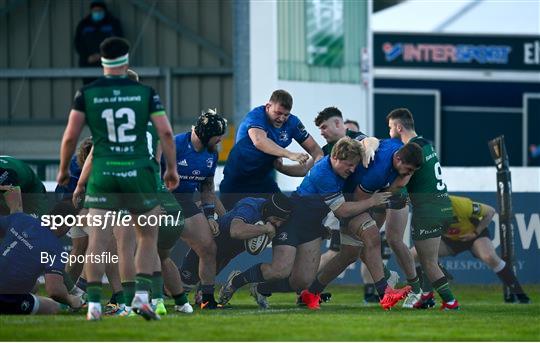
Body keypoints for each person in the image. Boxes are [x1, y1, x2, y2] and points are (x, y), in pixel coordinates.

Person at [57, 37, 179, 321]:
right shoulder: (146, 94)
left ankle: (95, 306)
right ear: (125, 61)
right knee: (146, 237)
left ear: (101, 62)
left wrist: (65, 171)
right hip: (137, 174)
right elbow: (166, 134)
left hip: (104, 174)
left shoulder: (86, 93)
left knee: (97, 240)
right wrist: (171, 168)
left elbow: (71, 137)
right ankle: (139, 298)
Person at [218, 137, 392, 309]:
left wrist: (369, 147)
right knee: (280, 270)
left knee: (301, 282)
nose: (353, 169)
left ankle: (261, 287)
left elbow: (370, 139)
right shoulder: (323, 172)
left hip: (313, 225)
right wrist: (372, 201)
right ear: (336, 157)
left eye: (355, 165)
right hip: (292, 220)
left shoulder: (340, 167)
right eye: (349, 164)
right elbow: (342, 211)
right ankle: (236, 281)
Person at [298, 139, 423, 310]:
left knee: (348, 255)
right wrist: (379, 200)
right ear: (398, 159)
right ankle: (384, 293)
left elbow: (372, 140)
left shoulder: (396, 148)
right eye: (408, 170)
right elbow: (357, 201)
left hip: (347, 197)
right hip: (348, 201)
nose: (409, 174)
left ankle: (311, 294)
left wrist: (395, 186)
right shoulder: (377, 173)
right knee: (372, 237)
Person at [386, 108, 460, 310]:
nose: (389, 132)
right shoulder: (426, 144)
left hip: (428, 210)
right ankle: (426, 296)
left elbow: (401, 184)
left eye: (391, 128)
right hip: (443, 206)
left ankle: (450, 302)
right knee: (428, 260)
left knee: (428, 263)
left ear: (399, 127)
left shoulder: (410, 151)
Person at [411, 195, 530, 305]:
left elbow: (490, 211)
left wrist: (475, 232)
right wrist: (434, 262)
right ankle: (423, 294)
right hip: (449, 240)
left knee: (489, 256)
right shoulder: (426, 212)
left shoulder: (461, 205)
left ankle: (520, 295)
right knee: (414, 254)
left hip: (473, 236)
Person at [163, 109, 228, 310]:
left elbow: (207, 188)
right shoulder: (174, 145)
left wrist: (210, 217)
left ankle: (206, 299)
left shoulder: (212, 154)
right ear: (208, 134)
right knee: (156, 252)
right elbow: (152, 176)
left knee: (209, 248)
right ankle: (133, 295)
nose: (220, 141)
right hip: (162, 200)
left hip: (185, 202)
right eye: (218, 137)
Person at [219, 89, 323, 210]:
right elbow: (259, 141)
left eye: (286, 115)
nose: (281, 118)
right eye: (278, 113)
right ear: (268, 106)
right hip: (237, 180)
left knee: (285, 211)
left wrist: (318, 168)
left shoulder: (293, 123)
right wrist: (289, 154)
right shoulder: (256, 115)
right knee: (229, 219)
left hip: (263, 180)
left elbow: (316, 150)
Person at [180, 193, 293, 299]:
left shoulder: (270, 217)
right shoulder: (250, 207)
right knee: (179, 287)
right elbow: (236, 231)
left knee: (203, 294)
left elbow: (254, 250)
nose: (278, 224)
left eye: (281, 221)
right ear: (269, 211)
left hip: (226, 254)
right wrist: (265, 229)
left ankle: (204, 299)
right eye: (276, 219)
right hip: (209, 247)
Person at [0, 210, 84, 315]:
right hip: (7, 298)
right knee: (53, 307)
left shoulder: (21, 218)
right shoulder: (56, 248)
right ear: (64, 227)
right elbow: (54, 290)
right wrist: (71, 299)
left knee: (35, 285)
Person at [74, 0, 123, 84]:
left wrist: (103, 55)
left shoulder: (113, 23)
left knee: (108, 89)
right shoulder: (84, 24)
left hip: (109, 65)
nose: (97, 13)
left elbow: (118, 42)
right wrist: (87, 57)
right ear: (91, 11)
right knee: (90, 90)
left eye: (99, 11)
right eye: (95, 11)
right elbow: (78, 43)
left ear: (104, 11)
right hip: (88, 65)